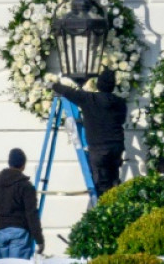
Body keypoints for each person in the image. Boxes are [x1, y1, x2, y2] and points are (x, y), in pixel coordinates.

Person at [50, 68, 127, 197]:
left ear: (99, 84)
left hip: (99, 149)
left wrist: (53, 85)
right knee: (114, 182)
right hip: (116, 147)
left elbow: (69, 92)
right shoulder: (120, 102)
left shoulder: (90, 99)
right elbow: (122, 119)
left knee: (102, 187)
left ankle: (105, 213)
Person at [0, 148, 45, 259]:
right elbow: (32, 214)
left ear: (9, 163)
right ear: (23, 165)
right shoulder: (26, 186)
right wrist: (39, 239)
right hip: (19, 231)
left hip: (1, 231)